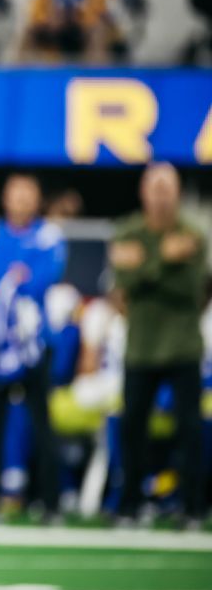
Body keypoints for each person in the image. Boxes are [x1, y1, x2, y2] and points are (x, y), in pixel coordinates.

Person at [0, 173, 67, 517]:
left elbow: (44, 277)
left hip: (35, 343)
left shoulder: (49, 235)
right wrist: (11, 275)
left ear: (37, 200)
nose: (21, 200)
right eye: (15, 193)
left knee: (41, 423)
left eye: (28, 194)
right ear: (5, 198)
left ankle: (48, 500)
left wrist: (6, 277)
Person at [110, 163, 207, 524]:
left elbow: (191, 291)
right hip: (141, 346)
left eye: (168, 187)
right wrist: (164, 259)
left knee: (190, 428)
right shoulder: (128, 230)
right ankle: (130, 503)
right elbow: (124, 285)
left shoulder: (194, 232)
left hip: (182, 345)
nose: (161, 195)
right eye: (155, 187)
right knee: (131, 425)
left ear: (178, 193)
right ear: (143, 192)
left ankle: (193, 506)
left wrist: (144, 268)